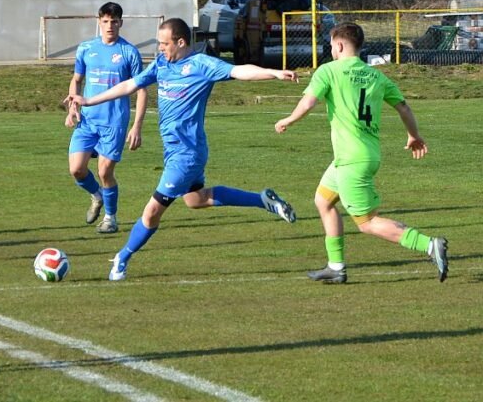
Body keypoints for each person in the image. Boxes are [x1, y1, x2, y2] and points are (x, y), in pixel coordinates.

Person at [66, 18, 299, 281]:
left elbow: (239, 71)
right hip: (175, 152)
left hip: (186, 155)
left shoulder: (201, 64)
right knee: (196, 199)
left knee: (152, 212)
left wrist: (274, 72)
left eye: (164, 43)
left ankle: (122, 257)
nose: (160, 48)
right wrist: (88, 100)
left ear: (180, 42)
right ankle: (263, 200)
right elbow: (130, 85)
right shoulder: (161, 64)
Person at [274, 22, 449, 284]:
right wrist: (413, 135)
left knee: (367, 222)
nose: (331, 50)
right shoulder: (377, 76)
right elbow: (403, 107)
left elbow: (309, 101)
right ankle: (336, 267)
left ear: (339, 45)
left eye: (331, 45)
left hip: (351, 161)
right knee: (323, 201)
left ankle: (428, 244)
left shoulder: (328, 71)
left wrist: (289, 119)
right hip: (362, 156)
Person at [65, 2, 145, 235]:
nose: (110, 26)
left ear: (121, 23)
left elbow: (141, 90)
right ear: (99, 22)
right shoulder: (86, 48)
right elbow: (76, 80)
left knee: (104, 172)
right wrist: (72, 107)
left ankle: (111, 218)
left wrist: (136, 126)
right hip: (87, 120)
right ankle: (97, 196)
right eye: (106, 21)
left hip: (114, 122)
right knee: (76, 169)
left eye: (114, 21)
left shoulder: (129, 52)